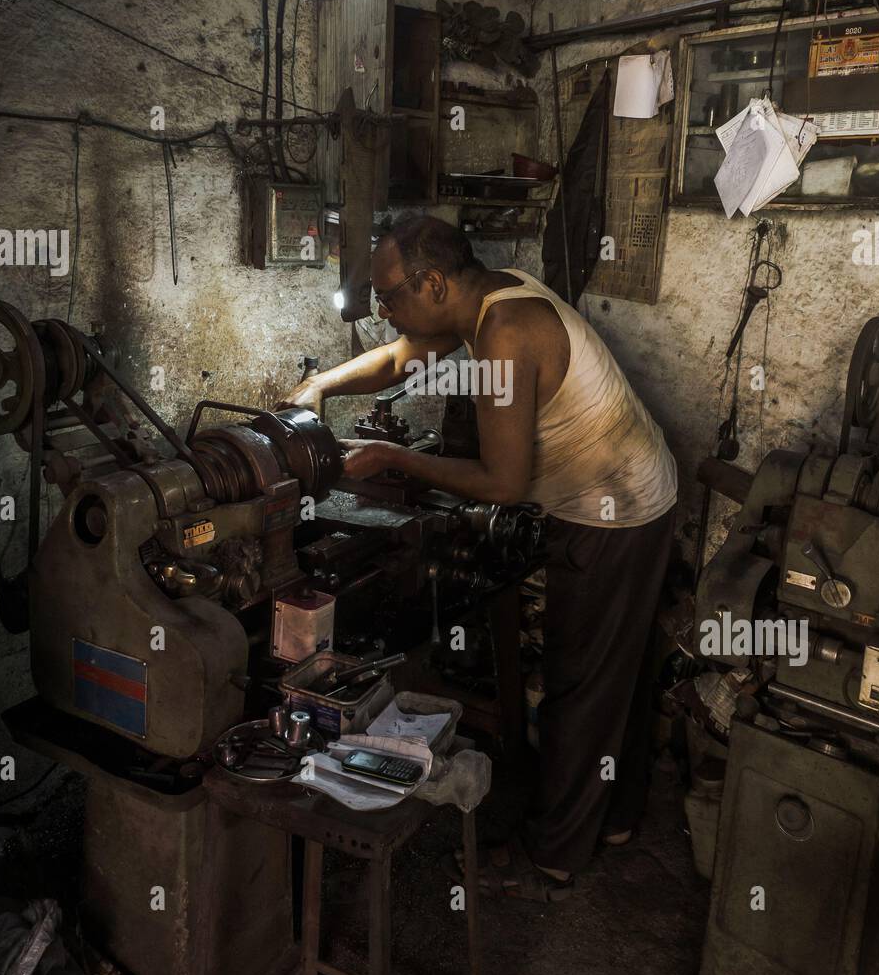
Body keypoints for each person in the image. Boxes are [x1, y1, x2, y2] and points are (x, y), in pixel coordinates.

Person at [282, 215, 677, 901]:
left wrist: (392, 457)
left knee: (579, 685)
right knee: (621, 672)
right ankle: (613, 816)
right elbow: (401, 356)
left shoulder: (506, 329)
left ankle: (550, 855)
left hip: (615, 511)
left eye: (390, 296)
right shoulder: (490, 295)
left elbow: (503, 483)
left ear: (433, 281)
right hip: (632, 495)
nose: (384, 310)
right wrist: (321, 387)